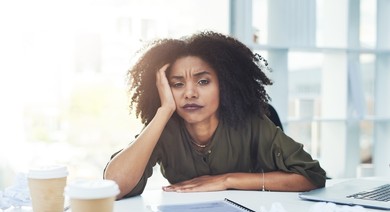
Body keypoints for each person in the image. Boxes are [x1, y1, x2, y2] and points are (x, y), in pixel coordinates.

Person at [104, 31, 326, 199]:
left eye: (203, 81)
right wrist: (164, 111)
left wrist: (227, 180)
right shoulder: (165, 127)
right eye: (177, 84)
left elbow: (312, 176)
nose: (190, 93)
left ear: (225, 84)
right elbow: (113, 186)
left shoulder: (251, 123)